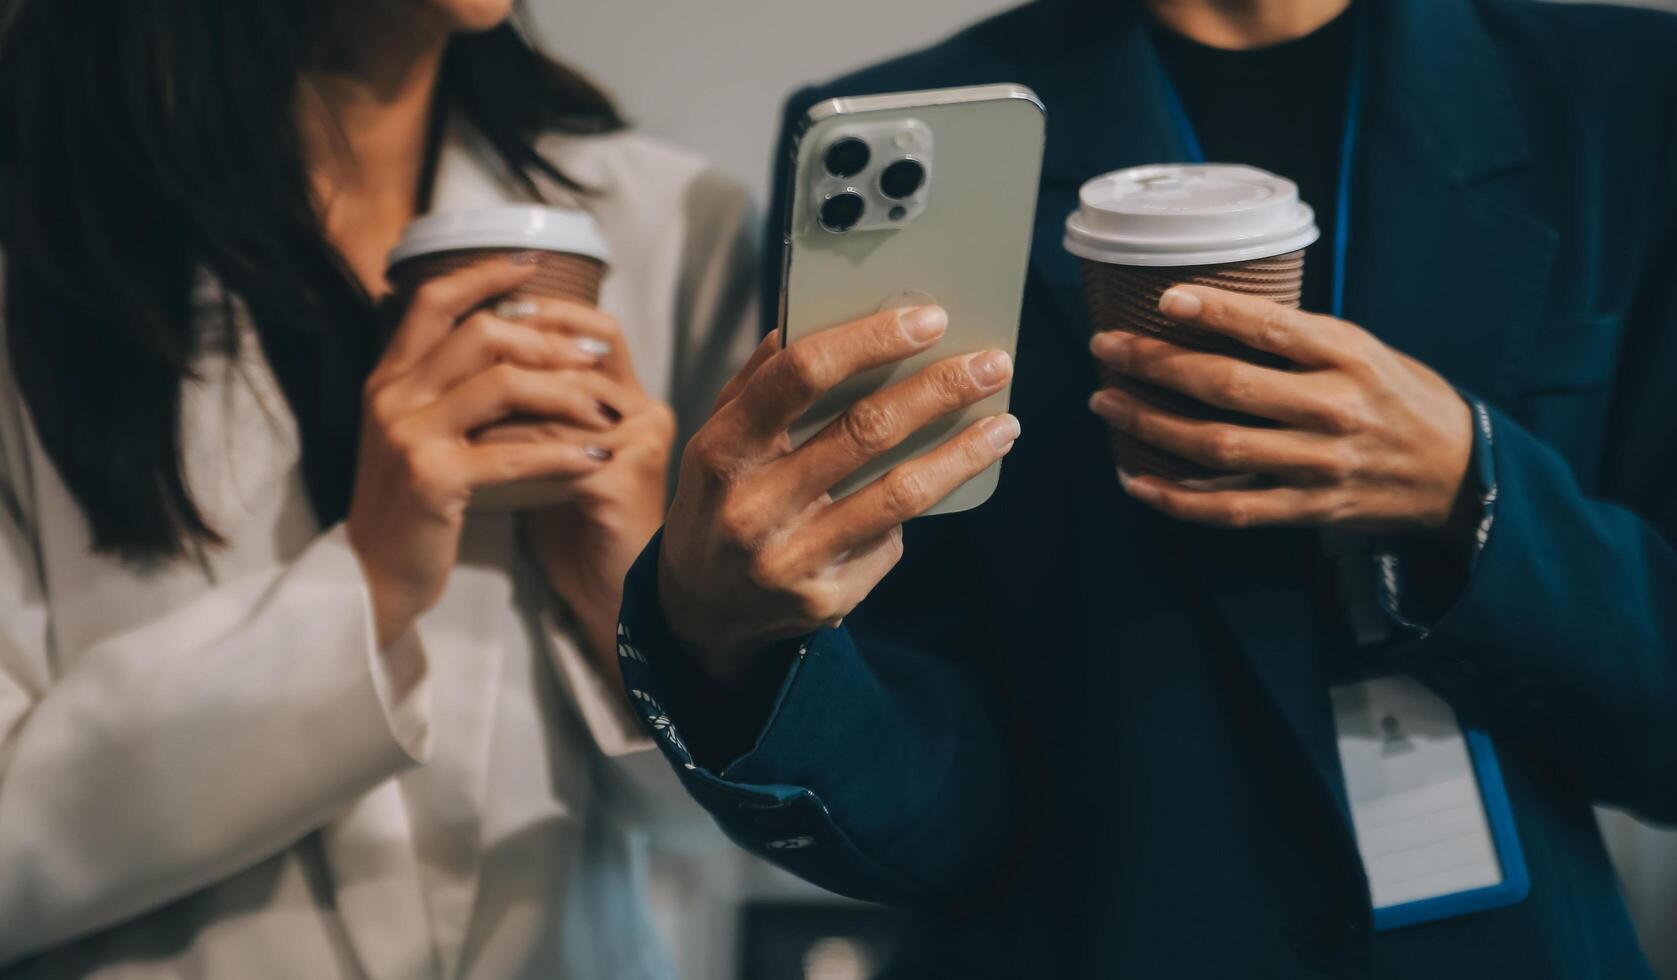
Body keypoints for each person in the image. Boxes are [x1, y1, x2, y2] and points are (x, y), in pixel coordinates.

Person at [614, 0, 1677, 975]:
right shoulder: (928, 124)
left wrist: (1471, 486)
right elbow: (942, 776)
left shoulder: (1619, 94)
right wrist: (732, 643)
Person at [0, 0, 753, 976]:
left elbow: (733, 832)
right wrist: (363, 590)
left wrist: (646, 621)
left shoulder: (674, 227)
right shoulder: (34, 257)